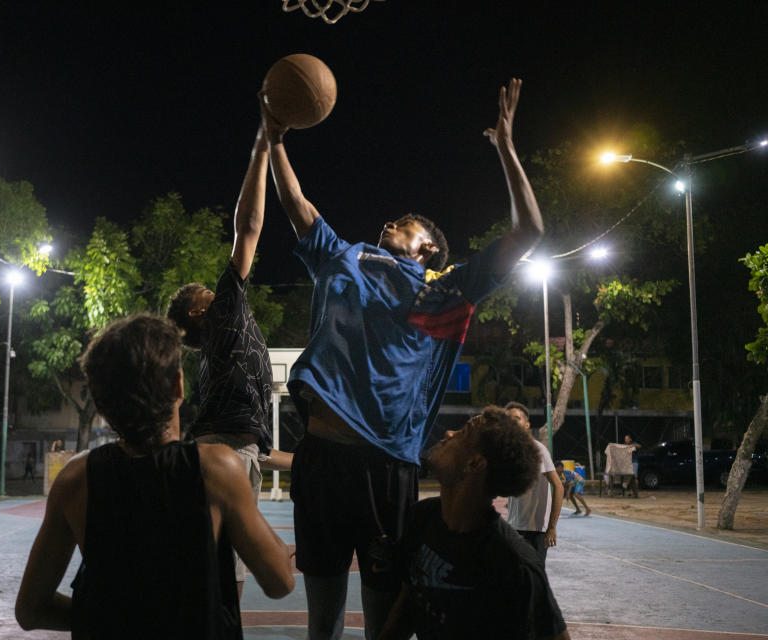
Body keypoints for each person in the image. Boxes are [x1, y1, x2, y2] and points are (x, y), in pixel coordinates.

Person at [263, 77, 544, 639]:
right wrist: (274, 140)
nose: (390, 222)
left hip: (383, 466)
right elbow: (295, 204)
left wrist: (508, 152)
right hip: (320, 456)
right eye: (392, 220)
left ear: (428, 248)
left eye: (405, 223)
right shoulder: (344, 258)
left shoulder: (442, 292)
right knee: (321, 615)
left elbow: (530, 231)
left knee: (382, 616)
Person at [15, 314, 294, 638]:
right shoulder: (216, 469)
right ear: (178, 385)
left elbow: (30, 609)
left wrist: (114, 620)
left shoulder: (75, 480)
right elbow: (280, 582)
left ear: (102, 403)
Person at [166, 115, 292, 597]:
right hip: (225, 460)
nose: (216, 288)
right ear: (201, 309)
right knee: (227, 577)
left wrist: (313, 462)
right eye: (208, 290)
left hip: (229, 452)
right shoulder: (223, 316)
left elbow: (248, 444)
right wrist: (261, 146)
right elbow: (249, 227)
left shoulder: (220, 357)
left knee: (219, 574)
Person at [380, 407, 570, 640]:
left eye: (463, 433)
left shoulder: (515, 565)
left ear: (475, 464)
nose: (449, 433)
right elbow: (410, 601)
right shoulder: (423, 518)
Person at [503, 402, 563, 567]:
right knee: (515, 576)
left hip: (536, 529)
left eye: (517, 418)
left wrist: (551, 527)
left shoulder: (538, 450)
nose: (512, 423)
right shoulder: (509, 453)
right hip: (514, 526)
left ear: (527, 424)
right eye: (508, 420)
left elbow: (558, 487)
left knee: (533, 577)